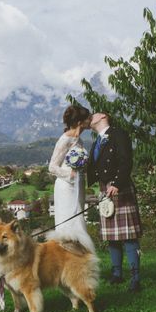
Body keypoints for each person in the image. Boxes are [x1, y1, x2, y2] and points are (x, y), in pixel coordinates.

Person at [87, 112, 143, 292]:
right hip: (105, 189)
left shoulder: (118, 134)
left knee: (128, 236)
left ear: (102, 116)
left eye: (92, 115)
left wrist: (117, 183)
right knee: (111, 236)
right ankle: (117, 274)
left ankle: (135, 278)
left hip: (120, 188)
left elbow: (126, 161)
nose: (89, 118)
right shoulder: (97, 141)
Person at [47, 105, 95, 253]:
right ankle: (66, 255)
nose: (90, 119)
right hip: (66, 186)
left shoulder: (77, 139)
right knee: (68, 220)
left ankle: (78, 255)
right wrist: (70, 175)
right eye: (88, 117)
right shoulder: (65, 139)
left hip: (78, 185)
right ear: (80, 122)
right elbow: (52, 167)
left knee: (78, 217)